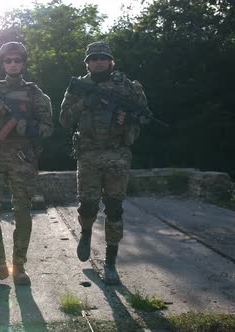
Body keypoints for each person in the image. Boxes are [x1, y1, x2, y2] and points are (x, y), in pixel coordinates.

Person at [59, 41, 150, 285]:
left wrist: (128, 116)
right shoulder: (79, 87)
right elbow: (65, 120)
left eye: (103, 57)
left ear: (111, 61)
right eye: (94, 58)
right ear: (87, 63)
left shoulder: (127, 87)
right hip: (88, 154)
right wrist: (85, 102)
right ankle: (86, 233)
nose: (98, 61)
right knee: (87, 205)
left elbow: (144, 115)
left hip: (117, 154)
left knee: (114, 209)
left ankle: (110, 263)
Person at [0, 42, 53, 288]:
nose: (13, 64)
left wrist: (30, 128)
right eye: (8, 60)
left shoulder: (36, 94)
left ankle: (20, 267)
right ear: (3, 63)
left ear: (24, 63)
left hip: (22, 156)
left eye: (17, 60)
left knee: (22, 211)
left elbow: (49, 128)